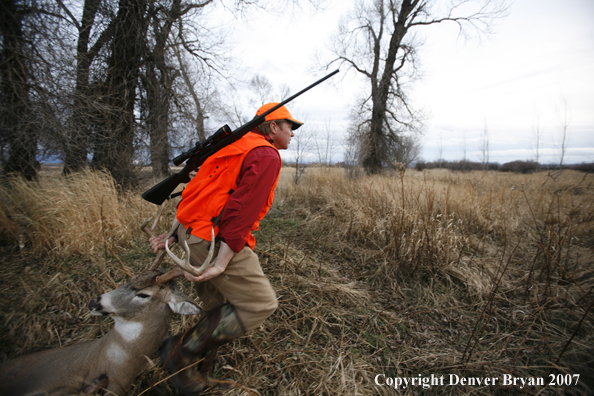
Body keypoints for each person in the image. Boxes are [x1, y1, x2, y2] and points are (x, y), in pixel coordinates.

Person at [149, 102, 302, 395]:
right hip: (212, 241)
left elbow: (199, 193)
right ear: (273, 127)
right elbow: (240, 213)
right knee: (260, 303)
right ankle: (179, 353)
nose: (293, 133)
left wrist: (175, 235)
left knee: (217, 307)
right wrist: (221, 262)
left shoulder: (235, 145)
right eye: (289, 126)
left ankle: (194, 375)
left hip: (193, 235)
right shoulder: (266, 154)